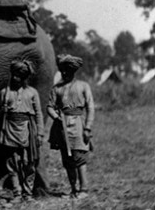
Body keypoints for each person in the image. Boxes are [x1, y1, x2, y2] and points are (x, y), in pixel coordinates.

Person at [47, 54, 95, 199]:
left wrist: (87, 127)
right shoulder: (57, 88)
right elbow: (49, 106)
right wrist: (56, 118)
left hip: (79, 125)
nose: (65, 73)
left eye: (68, 70)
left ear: (74, 71)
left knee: (79, 156)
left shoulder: (83, 86)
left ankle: (84, 189)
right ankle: (73, 189)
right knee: (67, 158)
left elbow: (90, 107)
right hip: (62, 126)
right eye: (63, 70)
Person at [0, 59, 44, 203]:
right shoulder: (5, 92)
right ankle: (17, 193)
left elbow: (38, 113)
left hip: (28, 130)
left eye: (19, 76)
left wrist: (40, 133)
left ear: (25, 78)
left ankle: (27, 194)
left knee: (28, 163)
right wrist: (2, 110)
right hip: (10, 130)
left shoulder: (32, 93)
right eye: (14, 75)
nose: (16, 78)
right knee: (12, 163)